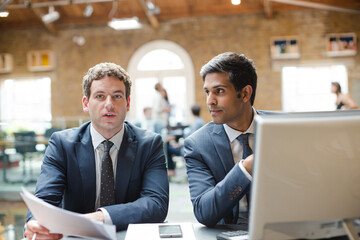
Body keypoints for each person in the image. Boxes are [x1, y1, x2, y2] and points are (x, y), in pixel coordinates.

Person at [24, 62, 169, 239]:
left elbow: (156, 204)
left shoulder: (150, 144)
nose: (109, 104)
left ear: (128, 103)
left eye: (117, 96)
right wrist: (36, 224)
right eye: (100, 96)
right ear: (86, 103)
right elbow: (44, 200)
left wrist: (99, 218)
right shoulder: (62, 144)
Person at [184, 52, 265, 229]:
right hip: (231, 232)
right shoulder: (198, 145)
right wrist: (245, 168)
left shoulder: (282, 128)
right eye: (207, 92)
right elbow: (204, 212)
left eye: (219, 91)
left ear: (245, 93)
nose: (209, 101)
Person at [166, 104, 205, 178]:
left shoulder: (196, 124)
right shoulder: (200, 121)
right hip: (193, 147)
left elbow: (190, 139)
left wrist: (179, 144)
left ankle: (171, 171)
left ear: (191, 112)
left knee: (168, 148)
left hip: (188, 149)